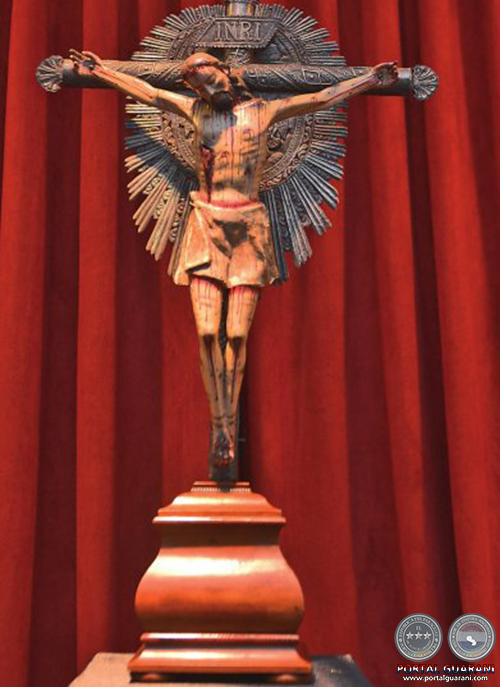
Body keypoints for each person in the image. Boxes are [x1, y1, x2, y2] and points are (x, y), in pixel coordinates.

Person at [69, 49, 398, 467]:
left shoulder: (262, 113)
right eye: (199, 87)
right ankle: (220, 424)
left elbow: (319, 98)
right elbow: (150, 94)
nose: (208, 89)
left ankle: (227, 419)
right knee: (208, 334)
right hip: (206, 224)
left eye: (211, 79)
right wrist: (101, 72)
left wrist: (368, 79)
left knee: (237, 336)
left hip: (247, 230)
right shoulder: (195, 112)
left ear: (225, 72)